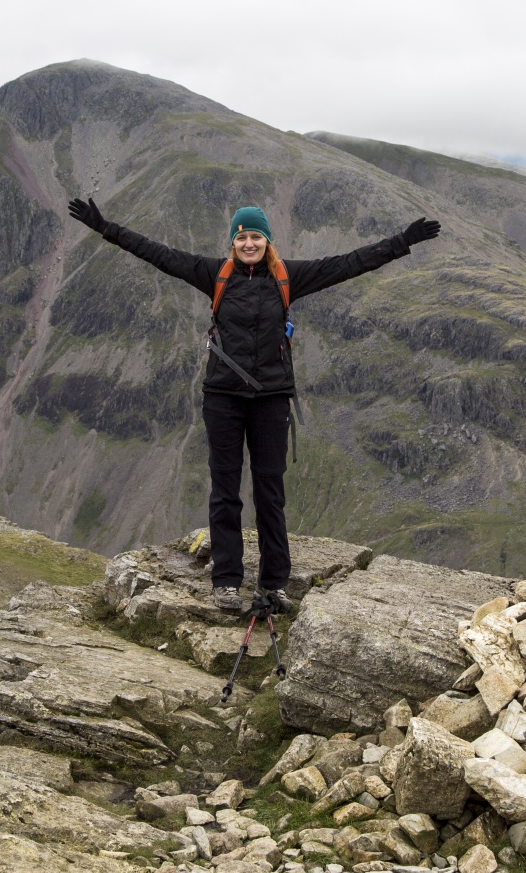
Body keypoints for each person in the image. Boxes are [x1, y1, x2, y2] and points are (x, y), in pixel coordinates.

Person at [67, 196, 441, 613]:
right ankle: (226, 581)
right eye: (242, 237)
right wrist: (105, 227)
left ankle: (274, 584)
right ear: (233, 242)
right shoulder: (214, 274)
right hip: (223, 398)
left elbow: (350, 263)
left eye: (255, 236)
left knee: (270, 492)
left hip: (271, 400)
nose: (249, 243)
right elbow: (157, 253)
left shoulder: (287, 276)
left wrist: (403, 241)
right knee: (225, 491)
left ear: (267, 240)